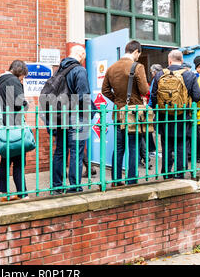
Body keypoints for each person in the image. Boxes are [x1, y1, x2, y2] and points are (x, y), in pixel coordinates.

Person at [102, 40, 149, 185]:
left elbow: (105, 91)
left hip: (118, 113)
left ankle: (116, 180)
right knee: (133, 147)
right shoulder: (137, 67)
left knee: (118, 148)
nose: (138, 57)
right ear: (136, 51)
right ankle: (131, 179)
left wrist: (117, 100)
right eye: (138, 54)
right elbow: (144, 90)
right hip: (133, 113)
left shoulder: (111, 68)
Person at [149, 50, 200, 179]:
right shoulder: (190, 75)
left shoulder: (159, 75)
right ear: (182, 60)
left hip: (164, 117)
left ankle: (166, 172)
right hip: (183, 117)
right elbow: (197, 96)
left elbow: (154, 97)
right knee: (182, 145)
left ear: (169, 60)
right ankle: (180, 172)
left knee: (166, 145)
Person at [50, 45, 92, 194]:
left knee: (60, 151)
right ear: (81, 55)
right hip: (76, 117)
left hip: (61, 117)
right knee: (76, 152)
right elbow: (83, 96)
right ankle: (74, 187)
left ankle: (56, 187)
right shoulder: (79, 70)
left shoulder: (59, 70)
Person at [0, 60, 30, 201]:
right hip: (14, 128)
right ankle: (22, 193)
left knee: (6, 160)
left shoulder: (0, 81)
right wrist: (26, 103)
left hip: (2, 127)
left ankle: (5, 192)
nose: (23, 79)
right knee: (19, 161)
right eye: (23, 77)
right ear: (20, 72)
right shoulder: (13, 81)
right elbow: (19, 104)